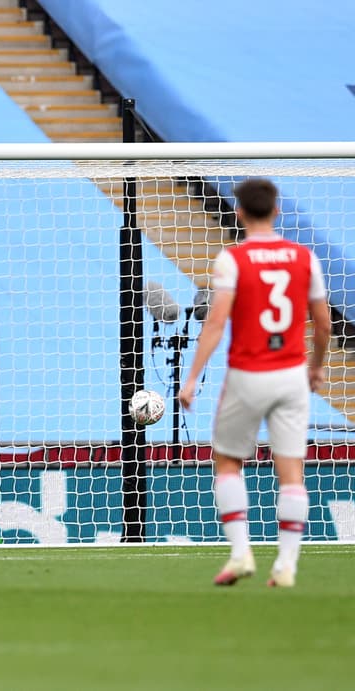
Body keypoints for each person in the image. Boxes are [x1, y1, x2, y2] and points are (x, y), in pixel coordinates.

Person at [179, 178, 329, 589]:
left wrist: (192, 377)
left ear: (239, 212)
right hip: (291, 373)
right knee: (291, 471)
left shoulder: (233, 260)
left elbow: (216, 321)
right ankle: (286, 566)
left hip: (248, 373)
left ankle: (242, 552)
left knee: (228, 461)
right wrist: (315, 367)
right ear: (277, 210)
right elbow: (323, 324)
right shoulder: (303, 258)